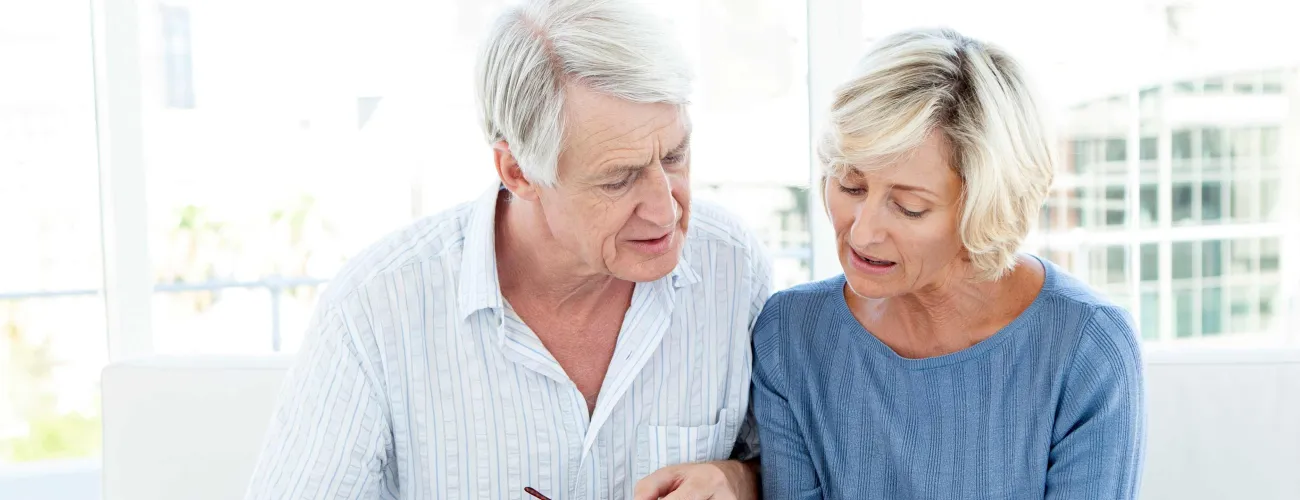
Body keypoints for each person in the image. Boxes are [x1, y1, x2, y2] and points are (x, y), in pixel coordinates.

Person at [245, 1, 769, 498]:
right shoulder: (377, 309)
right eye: (618, 180)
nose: (665, 210)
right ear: (517, 171)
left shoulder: (734, 268)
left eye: (675, 156)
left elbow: (804, 466)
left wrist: (743, 481)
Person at [752, 28, 1145, 499]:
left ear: (984, 208)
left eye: (910, 207)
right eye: (850, 186)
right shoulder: (791, 334)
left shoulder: (1086, 348)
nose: (861, 232)